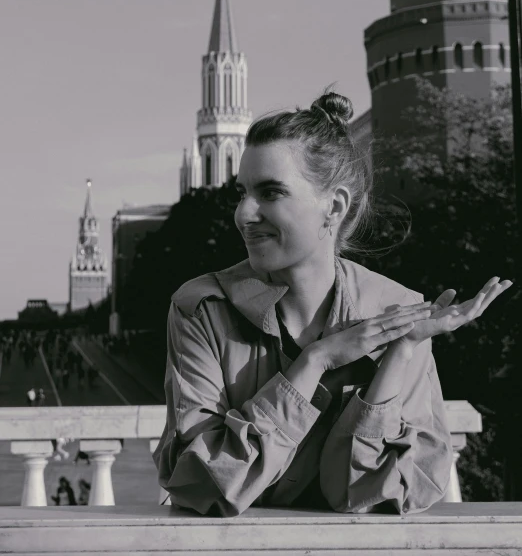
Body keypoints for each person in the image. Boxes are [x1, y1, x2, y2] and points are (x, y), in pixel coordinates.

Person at [153, 91, 513, 518]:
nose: (243, 214)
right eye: (243, 192)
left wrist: (400, 353)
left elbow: (367, 496)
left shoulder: (399, 312)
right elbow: (202, 485)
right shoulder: (202, 309)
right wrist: (315, 362)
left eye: (270, 193)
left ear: (334, 207)